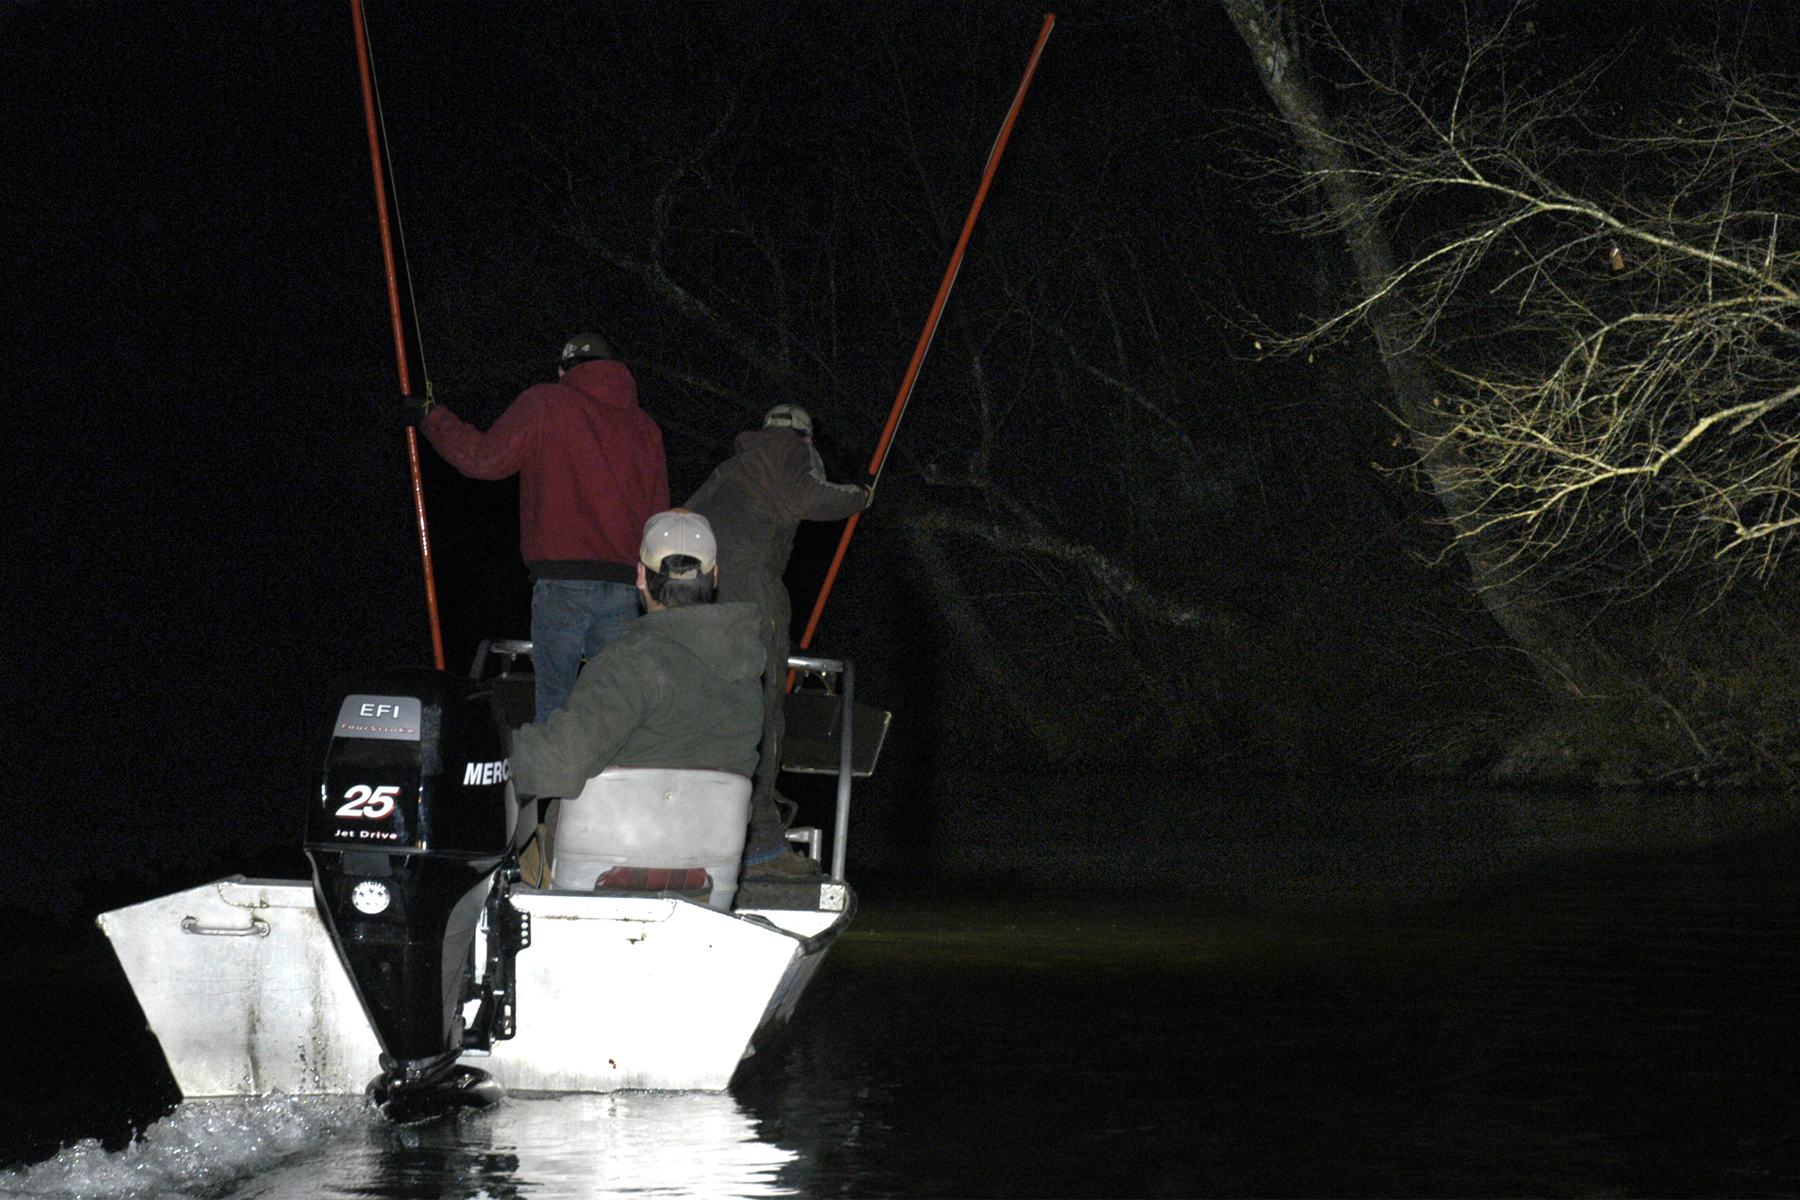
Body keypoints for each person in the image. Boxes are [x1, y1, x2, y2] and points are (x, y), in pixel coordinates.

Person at [416, 333, 669, 719]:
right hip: (624, 588)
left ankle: (559, 779)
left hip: (562, 583)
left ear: (563, 370)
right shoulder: (646, 426)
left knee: (556, 707)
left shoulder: (546, 401)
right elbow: (659, 516)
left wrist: (431, 418)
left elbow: (484, 459)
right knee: (617, 711)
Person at [684, 403, 872, 876]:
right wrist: (862, 496)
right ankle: (762, 848)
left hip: (695, 599)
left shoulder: (731, 466)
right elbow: (810, 495)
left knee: (707, 717)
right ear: (805, 437)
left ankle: (698, 833)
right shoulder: (788, 450)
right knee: (763, 715)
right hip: (750, 594)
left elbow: (680, 519)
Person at [511, 509, 764, 802]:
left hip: (617, 845)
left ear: (641, 575)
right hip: (714, 847)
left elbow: (557, 766)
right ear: (715, 576)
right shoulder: (748, 670)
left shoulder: (627, 665)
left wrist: (493, 747)